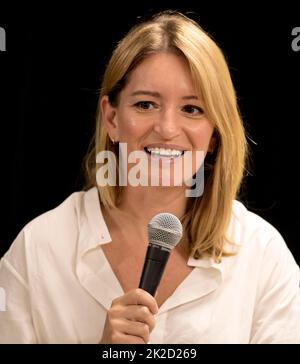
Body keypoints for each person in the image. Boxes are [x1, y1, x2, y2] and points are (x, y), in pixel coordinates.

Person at [0, 10, 300, 344]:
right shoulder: (39, 248)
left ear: (214, 133)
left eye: (192, 109)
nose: (167, 129)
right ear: (112, 118)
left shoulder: (262, 254)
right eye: (145, 105)